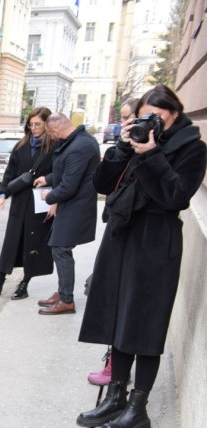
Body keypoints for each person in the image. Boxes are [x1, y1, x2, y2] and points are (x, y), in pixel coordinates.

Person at [75, 85, 206, 428]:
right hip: (122, 235)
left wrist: (150, 154)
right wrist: (121, 149)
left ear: (175, 113)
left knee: (145, 324)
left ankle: (138, 409)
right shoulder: (135, 140)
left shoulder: (192, 148)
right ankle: (116, 395)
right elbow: (102, 184)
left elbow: (175, 196)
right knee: (118, 316)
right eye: (144, 116)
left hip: (155, 242)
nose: (151, 123)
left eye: (157, 116)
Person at [86, 97, 141, 387]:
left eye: (130, 119)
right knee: (109, 298)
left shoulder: (149, 149)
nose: (125, 125)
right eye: (123, 119)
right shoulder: (124, 147)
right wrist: (120, 147)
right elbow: (101, 183)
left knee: (124, 305)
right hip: (116, 227)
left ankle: (116, 369)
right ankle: (113, 363)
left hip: (138, 236)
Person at [0, 108, 55, 300]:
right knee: (10, 242)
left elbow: (61, 173)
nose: (34, 128)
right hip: (20, 201)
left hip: (40, 202)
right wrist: (3, 195)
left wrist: (52, 192)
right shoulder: (21, 145)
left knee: (32, 243)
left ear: (47, 124)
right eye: (31, 124)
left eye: (38, 124)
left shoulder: (54, 147)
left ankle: (24, 283)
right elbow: (10, 172)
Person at [33, 112, 100, 315]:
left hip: (76, 206)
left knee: (61, 249)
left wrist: (49, 195)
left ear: (55, 129)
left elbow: (70, 185)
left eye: (50, 134)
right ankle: (63, 293)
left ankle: (66, 300)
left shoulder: (79, 147)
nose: (51, 138)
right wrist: (49, 178)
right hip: (72, 205)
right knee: (58, 248)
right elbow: (68, 172)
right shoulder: (78, 140)